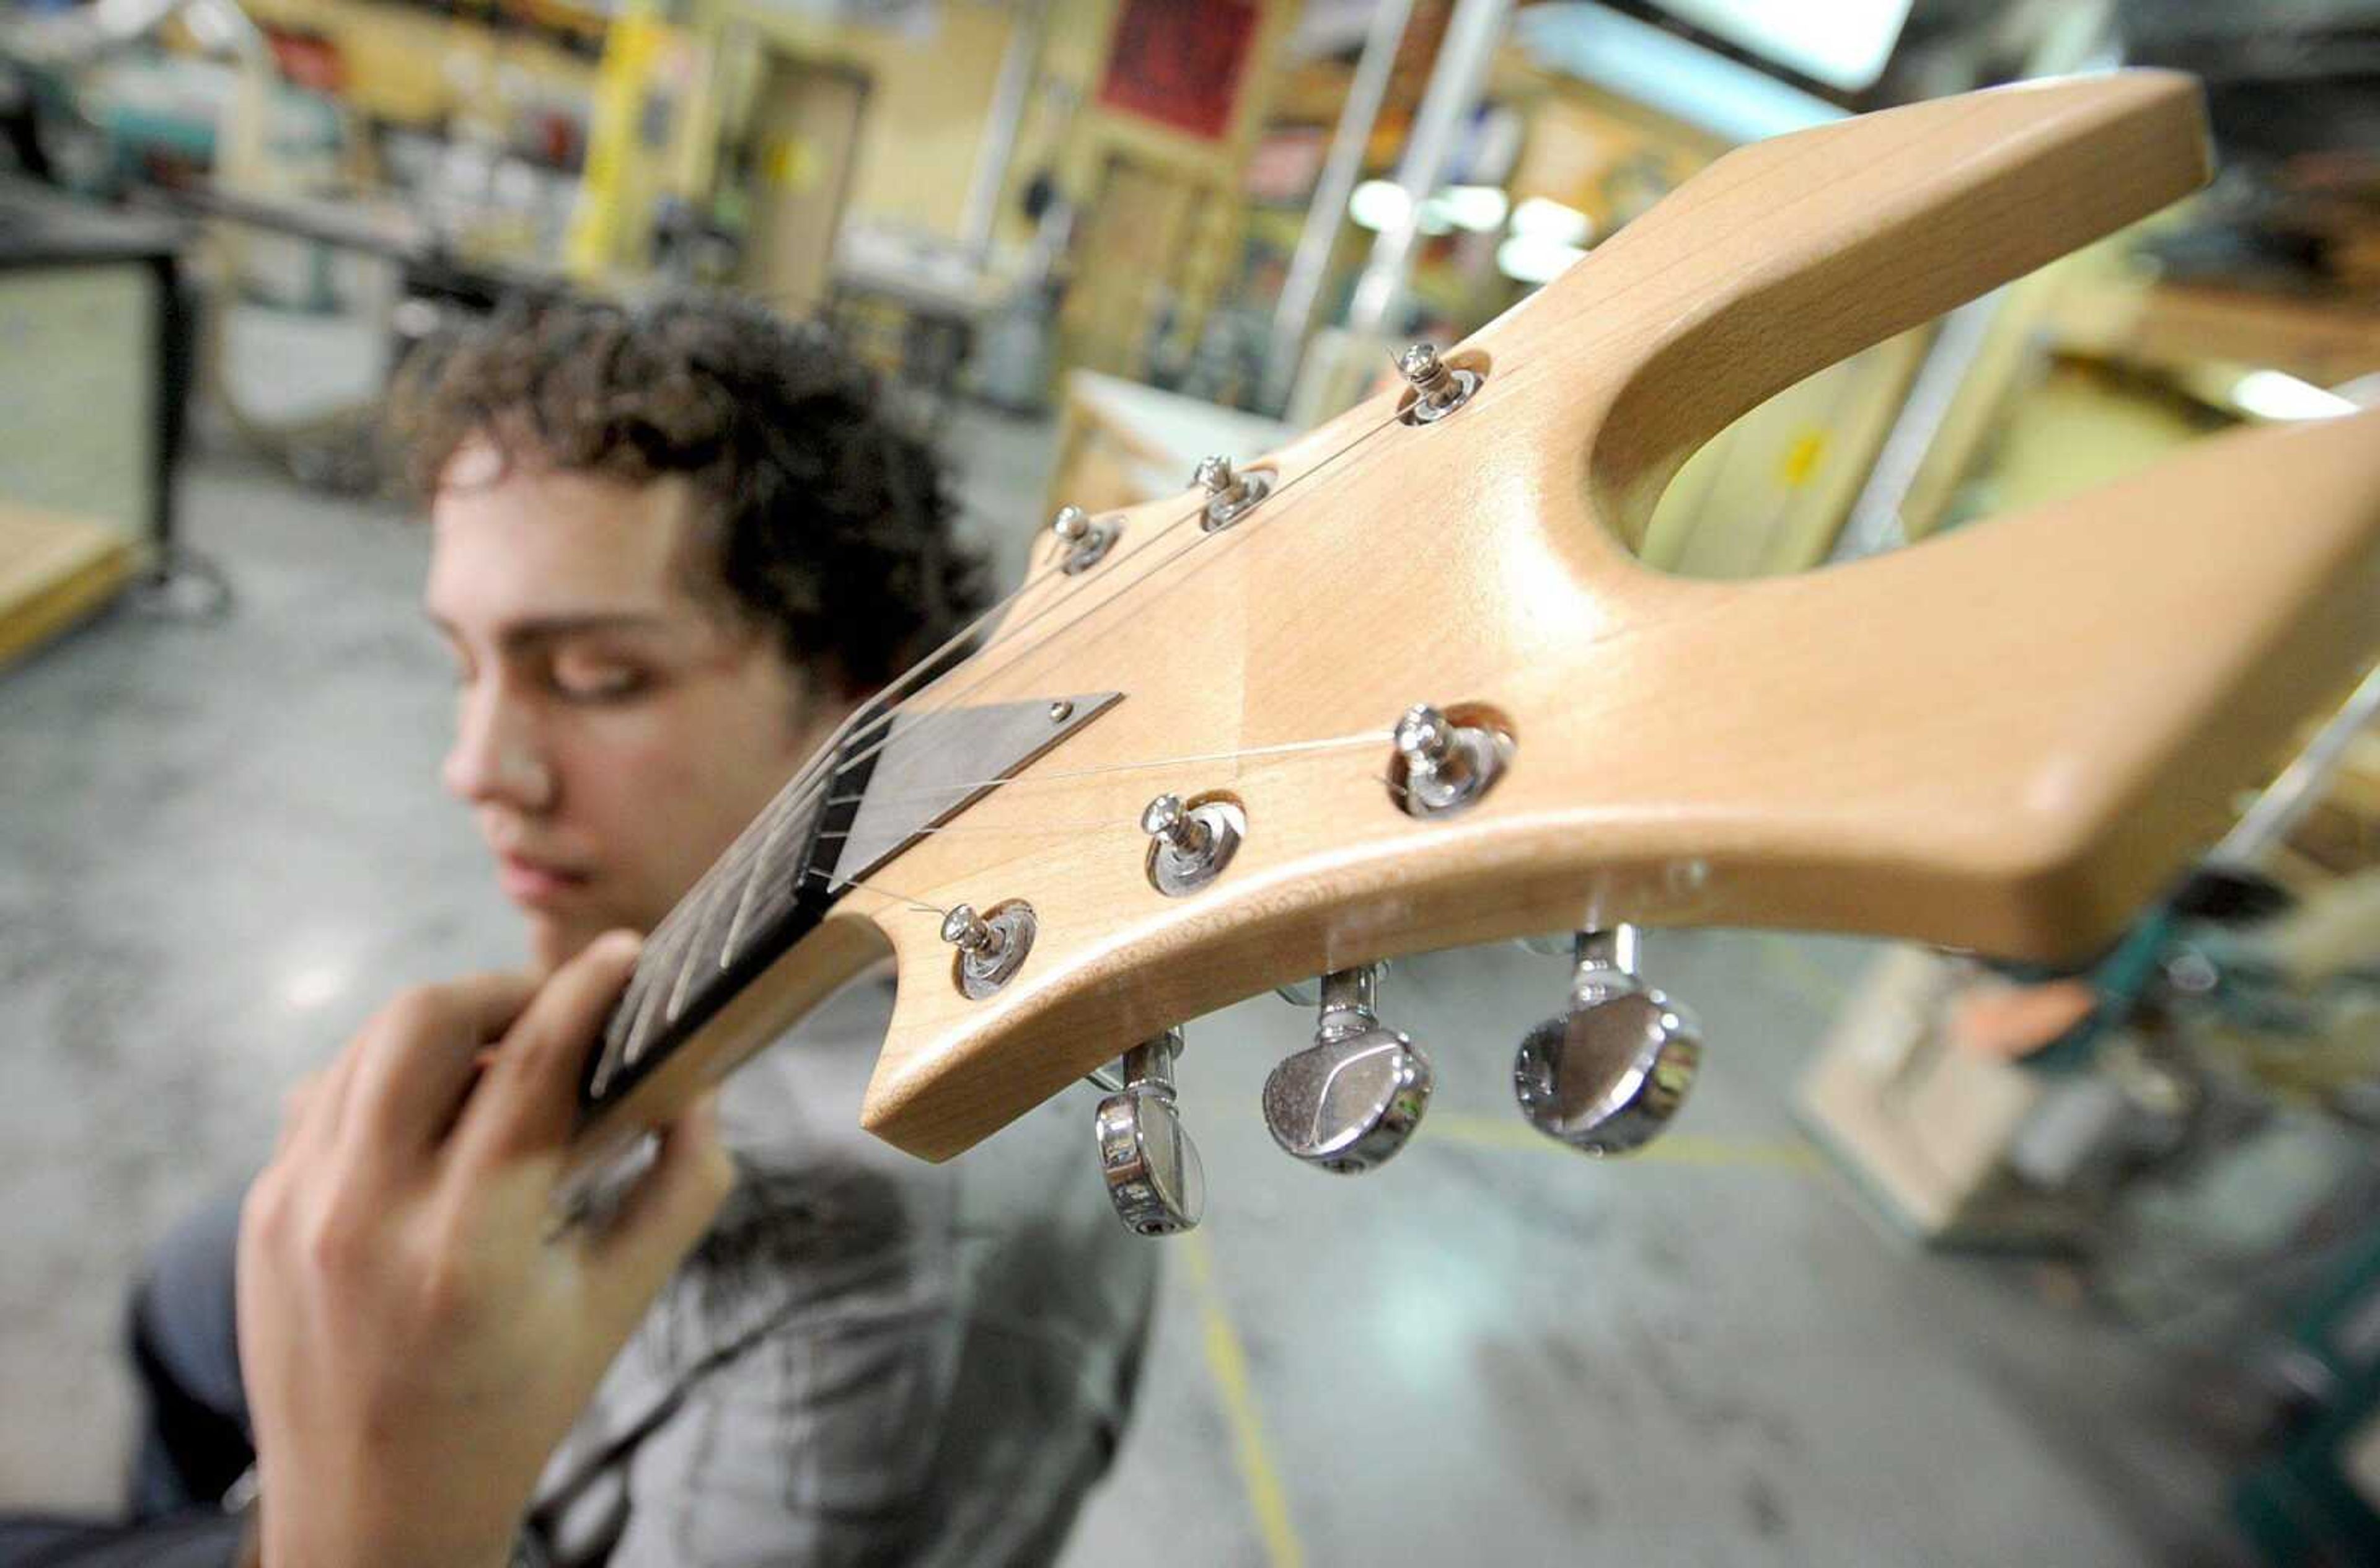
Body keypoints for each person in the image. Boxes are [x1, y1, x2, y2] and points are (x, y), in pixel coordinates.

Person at [8, 296, 1158, 1566]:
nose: (474, 765)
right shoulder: (706, 916)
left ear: (857, 692)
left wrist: (362, 1527)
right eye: (465, 661)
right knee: (186, 1288)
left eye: (598, 678)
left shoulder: (929, 1282)